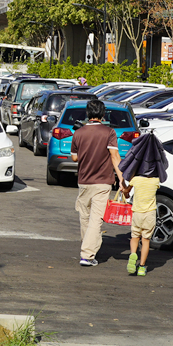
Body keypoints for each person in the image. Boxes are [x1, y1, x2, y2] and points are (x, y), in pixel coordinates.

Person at [71, 99, 125, 266]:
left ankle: (87, 249)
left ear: (88, 114)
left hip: (84, 181)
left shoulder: (78, 133)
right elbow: (115, 157)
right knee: (96, 219)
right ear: (103, 114)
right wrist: (122, 180)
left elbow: (74, 157)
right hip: (102, 182)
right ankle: (87, 255)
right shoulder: (109, 132)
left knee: (85, 217)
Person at [119, 132, 169, 276]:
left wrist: (125, 191)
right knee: (145, 240)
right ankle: (142, 266)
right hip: (150, 214)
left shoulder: (136, 180)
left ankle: (133, 254)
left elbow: (127, 193)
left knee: (135, 237)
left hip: (137, 213)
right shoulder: (155, 181)